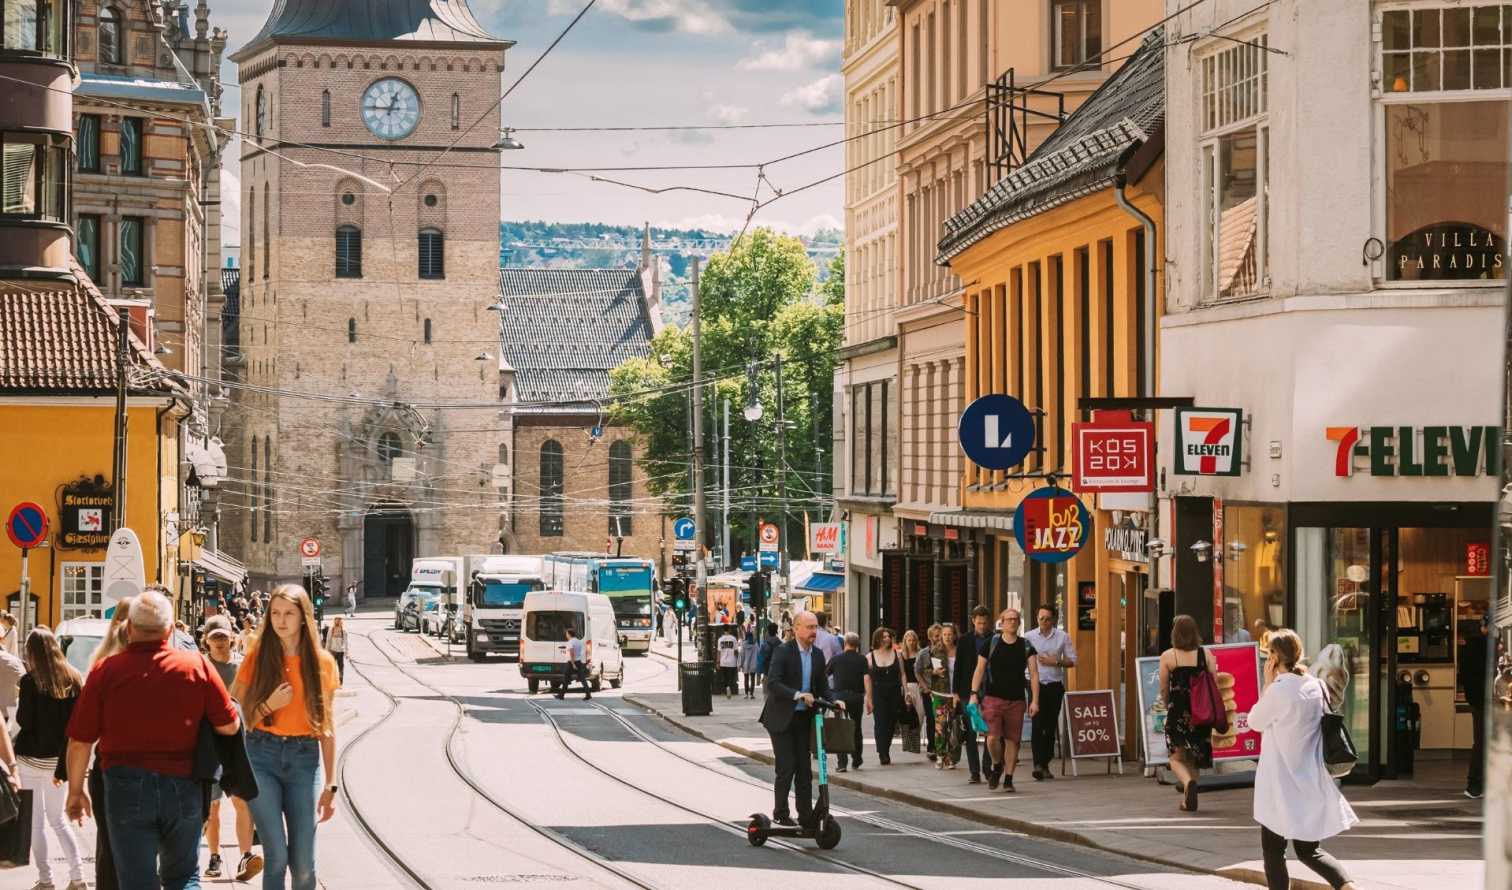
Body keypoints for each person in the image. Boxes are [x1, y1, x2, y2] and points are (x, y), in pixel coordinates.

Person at [65, 590, 242, 890]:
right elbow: (229, 726)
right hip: (183, 782)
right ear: (170, 629)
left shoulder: (106, 671)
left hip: (124, 784)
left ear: (129, 628)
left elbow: (80, 740)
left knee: (136, 880)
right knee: (183, 877)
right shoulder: (196, 666)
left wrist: (75, 791)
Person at [231, 585, 340, 890]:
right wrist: (268, 705)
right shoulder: (257, 658)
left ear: (303, 617)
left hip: (305, 760)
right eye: (275, 613)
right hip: (261, 757)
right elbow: (235, 715)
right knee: (276, 856)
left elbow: (327, 726)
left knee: (303, 865)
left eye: (289, 613)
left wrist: (331, 784)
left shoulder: (323, 662)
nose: (281, 620)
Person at [1249, 629, 1360, 890]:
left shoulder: (1278, 690)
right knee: (1309, 850)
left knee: (1274, 851)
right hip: (1309, 778)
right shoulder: (1315, 685)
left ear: (1274, 658)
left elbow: (1255, 721)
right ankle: (1347, 886)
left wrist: (1267, 684)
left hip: (1279, 782)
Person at [15, 627, 85, 890]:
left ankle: (46, 879)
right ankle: (78, 877)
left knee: (36, 823)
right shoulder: (74, 678)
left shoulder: (30, 681)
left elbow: (24, 721)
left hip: (30, 759)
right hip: (59, 761)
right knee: (58, 820)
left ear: (32, 653)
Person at [202, 616, 262, 882]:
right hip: (210, 746)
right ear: (206, 640)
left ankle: (246, 855)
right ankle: (214, 856)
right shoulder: (202, 667)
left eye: (223, 636)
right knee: (212, 805)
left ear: (232, 638)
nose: (219, 641)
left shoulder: (242, 667)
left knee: (241, 801)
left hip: (239, 746)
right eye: (214, 637)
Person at [759, 611, 832, 828]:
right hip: (781, 718)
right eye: (809, 627)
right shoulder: (783, 651)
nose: (813, 631)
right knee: (786, 766)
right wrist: (797, 694)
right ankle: (781, 813)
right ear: (796, 628)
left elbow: (823, 685)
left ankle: (805, 815)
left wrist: (835, 700)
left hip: (804, 718)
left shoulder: (817, 654)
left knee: (804, 769)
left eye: (815, 627)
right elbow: (773, 683)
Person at [971, 609, 1039, 792]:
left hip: (1016, 700)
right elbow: (979, 669)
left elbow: (1034, 674)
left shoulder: (1026, 645)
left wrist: (1035, 701)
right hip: (993, 698)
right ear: (1001, 623)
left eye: (1016, 619)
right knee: (992, 738)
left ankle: (1008, 779)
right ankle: (996, 764)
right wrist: (973, 694)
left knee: (1012, 740)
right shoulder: (991, 643)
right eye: (1009, 619)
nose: (1013, 622)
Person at [1159, 614, 1218, 812]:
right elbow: (1214, 684)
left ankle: (1187, 783)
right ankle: (1189, 797)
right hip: (1201, 712)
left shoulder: (1168, 656)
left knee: (1175, 757)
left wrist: (1168, 704)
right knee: (1195, 755)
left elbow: (1164, 688)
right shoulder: (1206, 654)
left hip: (1178, 710)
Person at [1024, 605, 1077, 781]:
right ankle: (1038, 765)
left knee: (1050, 724)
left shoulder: (1063, 636)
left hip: (1054, 685)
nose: (1044, 622)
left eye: (1047, 619)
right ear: (1036, 618)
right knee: (1037, 723)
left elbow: (1072, 661)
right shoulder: (1029, 637)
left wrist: (1056, 662)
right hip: (1035, 684)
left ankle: (1045, 763)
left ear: (1053, 619)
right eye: (1041, 618)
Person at [956, 606, 995, 783]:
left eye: (985, 623)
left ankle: (987, 767)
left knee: (989, 730)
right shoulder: (964, 640)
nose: (982, 626)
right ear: (973, 621)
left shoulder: (995, 639)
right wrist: (955, 692)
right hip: (967, 691)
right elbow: (958, 666)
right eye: (979, 623)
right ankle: (974, 771)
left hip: (989, 689)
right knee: (971, 732)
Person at [864, 627, 907, 765]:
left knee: (892, 722)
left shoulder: (897, 654)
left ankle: (885, 748)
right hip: (878, 692)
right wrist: (869, 699)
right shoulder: (869, 657)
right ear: (877, 639)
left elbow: (903, 674)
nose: (887, 639)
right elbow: (867, 679)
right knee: (880, 722)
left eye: (888, 636)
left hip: (894, 691)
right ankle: (883, 752)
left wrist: (906, 691)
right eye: (884, 637)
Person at [826, 632, 867, 772]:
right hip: (856, 697)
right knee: (856, 727)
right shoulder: (862, 660)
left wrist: (828, 692)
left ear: (845, 643)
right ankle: (857, 758)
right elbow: (867, 679)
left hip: (839, 697)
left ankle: (842, 763)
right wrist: (869, 698)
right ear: (857, 645)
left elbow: (824, 674)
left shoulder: (836, 659)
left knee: (841, 729)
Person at [1459, 617, 1489, 799]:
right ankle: (1476, 785)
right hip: (1487, 701)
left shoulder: (1468, 647)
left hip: (1478, 701)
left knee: (1481, 742)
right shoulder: (1485, 646)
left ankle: (1475, 785)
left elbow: (1465, 677)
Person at [926, 623, 962, 769]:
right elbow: (925, 670)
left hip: (956, 694)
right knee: (940, 726)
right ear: (941, 636)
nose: (947, 637)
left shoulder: (961, 651)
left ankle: (952, 758)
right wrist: (933, 672)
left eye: (950, 634)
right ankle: (940, 755)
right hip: (940, 693)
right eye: (944, 634)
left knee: (955, 727)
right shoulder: (935, 651)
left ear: (955, 635)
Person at [916, 624, 942, 761]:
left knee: (943, 720)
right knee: (931, 719)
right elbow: (917, 671)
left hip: (943, 691)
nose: (939, 639)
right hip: (928, 691)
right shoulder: (923, 653)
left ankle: (942, 746)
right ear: (930, 637)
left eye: (940, 635)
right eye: (936, 636)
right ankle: (932, 747)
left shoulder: (946, 651)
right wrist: (925, 687)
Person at [899, 629, 924, 754]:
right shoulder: (901, 655)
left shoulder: (921, 653)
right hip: (908, 686)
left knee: (920, 714)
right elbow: (902, 673)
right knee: (908, 716)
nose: (911, 642)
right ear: (905, 641)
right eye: (909, 640)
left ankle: (915, 740)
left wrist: (923, 685)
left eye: (913, 640)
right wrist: (905, 690)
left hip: (919, 686)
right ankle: (909, 742)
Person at [555, 624, 591, 700]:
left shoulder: (570, 642)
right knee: (582, 679)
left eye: (566, 634)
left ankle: (561, 695)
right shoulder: (578, 641)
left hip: (571, 663)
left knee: (566, 679)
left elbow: (572, 653)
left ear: (569, 634)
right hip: (579, 662)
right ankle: (588, 694)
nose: (566, 636)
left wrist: (573, 663)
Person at [716, 625, 739, 699]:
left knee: (725, 677)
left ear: (723, 630)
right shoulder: (733, 639)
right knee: (731, 677)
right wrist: (738, 660)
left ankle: (727, 687)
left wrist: (717, 662)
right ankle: (729, 687)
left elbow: (719, 652)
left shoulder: (720, 639)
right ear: (729, 629)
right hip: (732, 661)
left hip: (723, 661)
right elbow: (736, 651)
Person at [324, 616, 348, 685]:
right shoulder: (331, 630)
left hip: (340, 652)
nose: (337, 622)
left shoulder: (344, 631)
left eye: (339, 620)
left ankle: (340, 682)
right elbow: (328, 641)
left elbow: (346, 642)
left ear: (341, 622)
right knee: (331, 667)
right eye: (336, 620)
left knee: (341, 668)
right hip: (332, 651)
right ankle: (331, 681)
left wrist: (346, 652)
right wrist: (326, 651)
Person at [739, 622, 759, 699]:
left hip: (746, 664)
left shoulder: (743, 645)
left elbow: (742, 656)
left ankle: (746, 694)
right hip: (753, 664)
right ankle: (752, 694)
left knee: (746, 679)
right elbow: (759, 654)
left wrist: (740, 665)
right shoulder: (755, 645)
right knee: (752, 679)